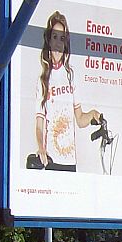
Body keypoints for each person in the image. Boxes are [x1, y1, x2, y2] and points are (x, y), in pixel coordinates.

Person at [28, 10, 102, 172]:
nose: (58, 43)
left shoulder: (71, 75)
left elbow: (80, 120)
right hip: (50, 158)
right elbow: (39, 125)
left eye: (62, 39)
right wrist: (41, 148)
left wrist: (93, 114)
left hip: (70, 160)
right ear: (48, 40)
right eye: (54, 37)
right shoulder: (42, 80)